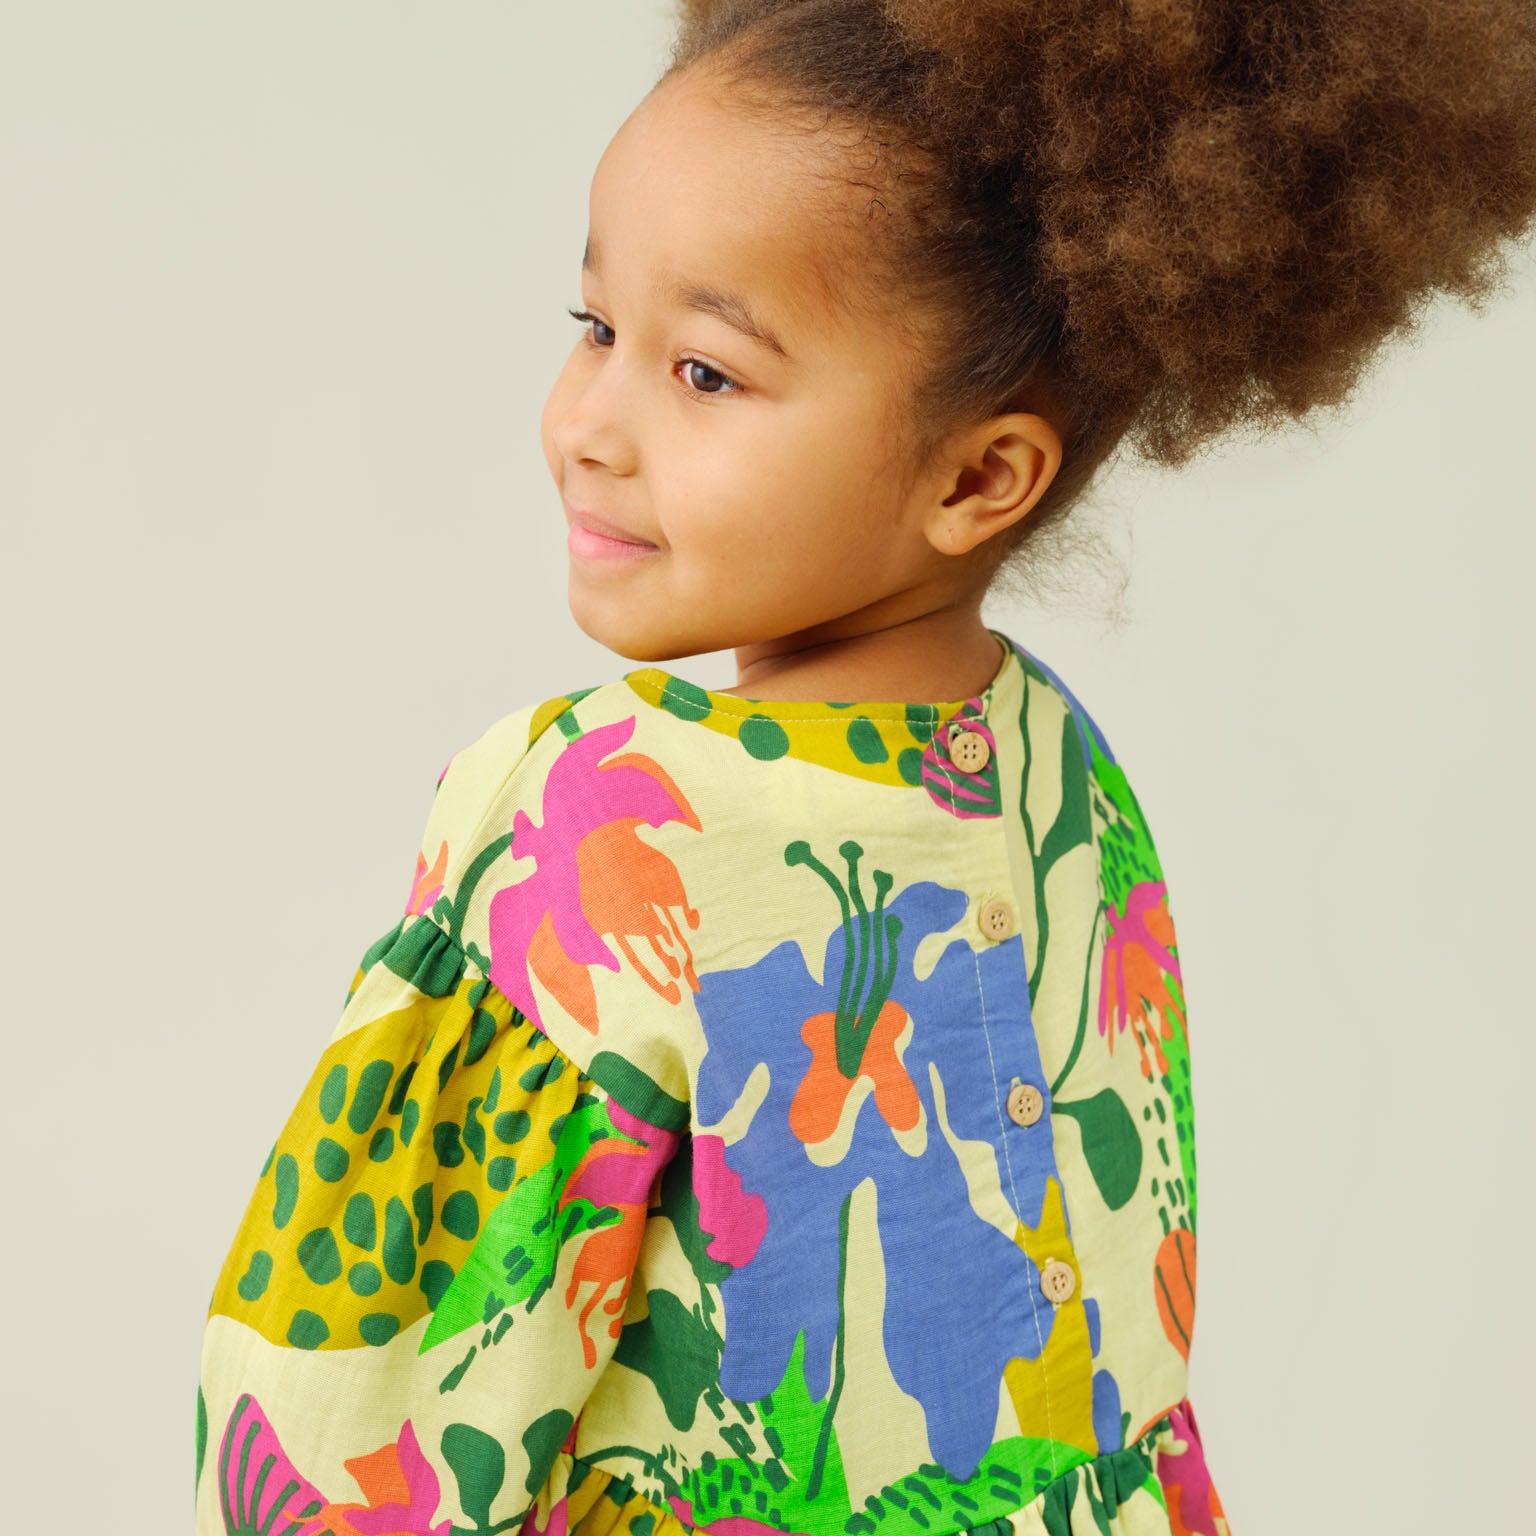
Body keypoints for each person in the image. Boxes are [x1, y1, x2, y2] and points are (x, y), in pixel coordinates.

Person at [194, 2, 1536, 1532]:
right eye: (595, 327)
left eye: (704, 374)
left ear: (980, 476)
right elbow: (360, 1428)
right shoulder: (663, 809)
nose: (586, 427)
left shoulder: (984, 785)